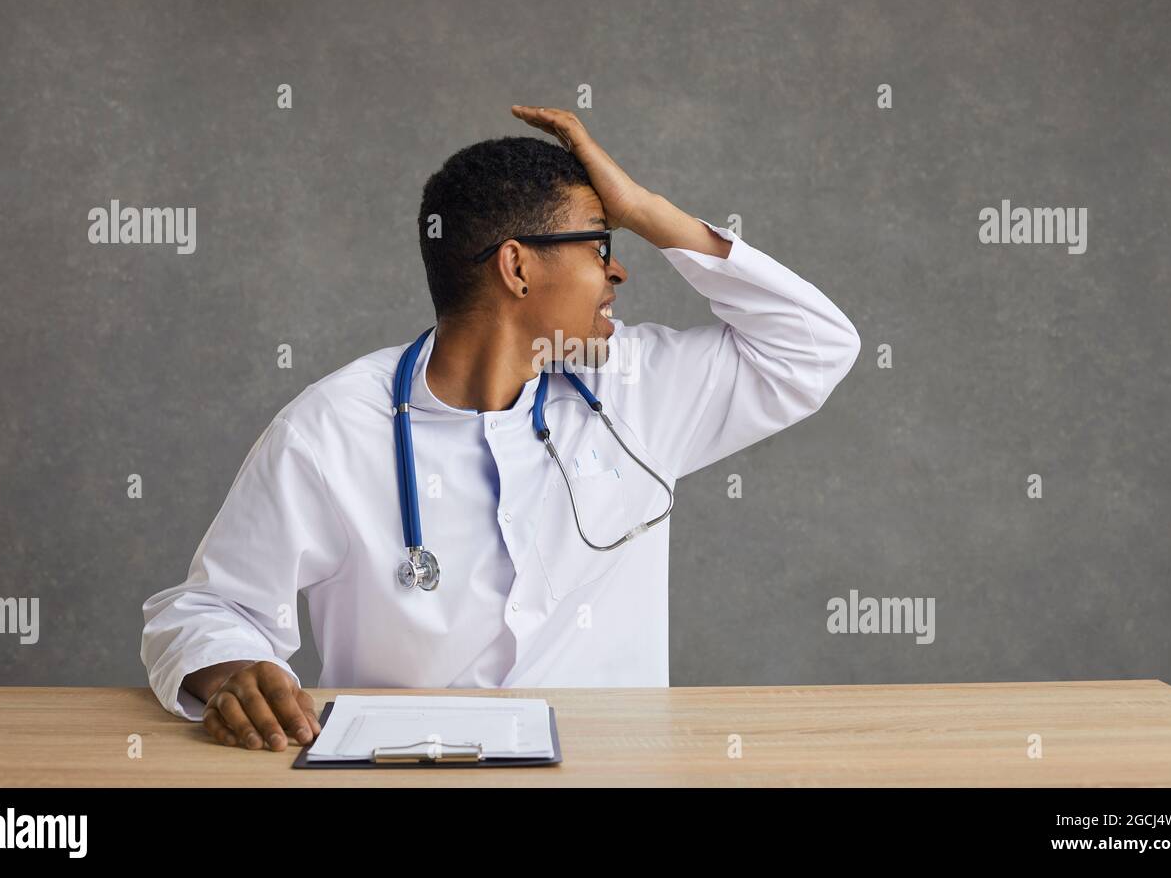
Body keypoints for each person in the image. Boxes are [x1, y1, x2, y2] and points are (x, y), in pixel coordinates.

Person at [140, 105, 862, 751]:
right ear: (516, 266)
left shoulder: (636, 387)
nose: (620, 273)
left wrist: (646, 210)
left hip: (608, 773)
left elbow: (816, 347)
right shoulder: (330, 430)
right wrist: (233, 670)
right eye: (600, 245)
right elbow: (206, 608)